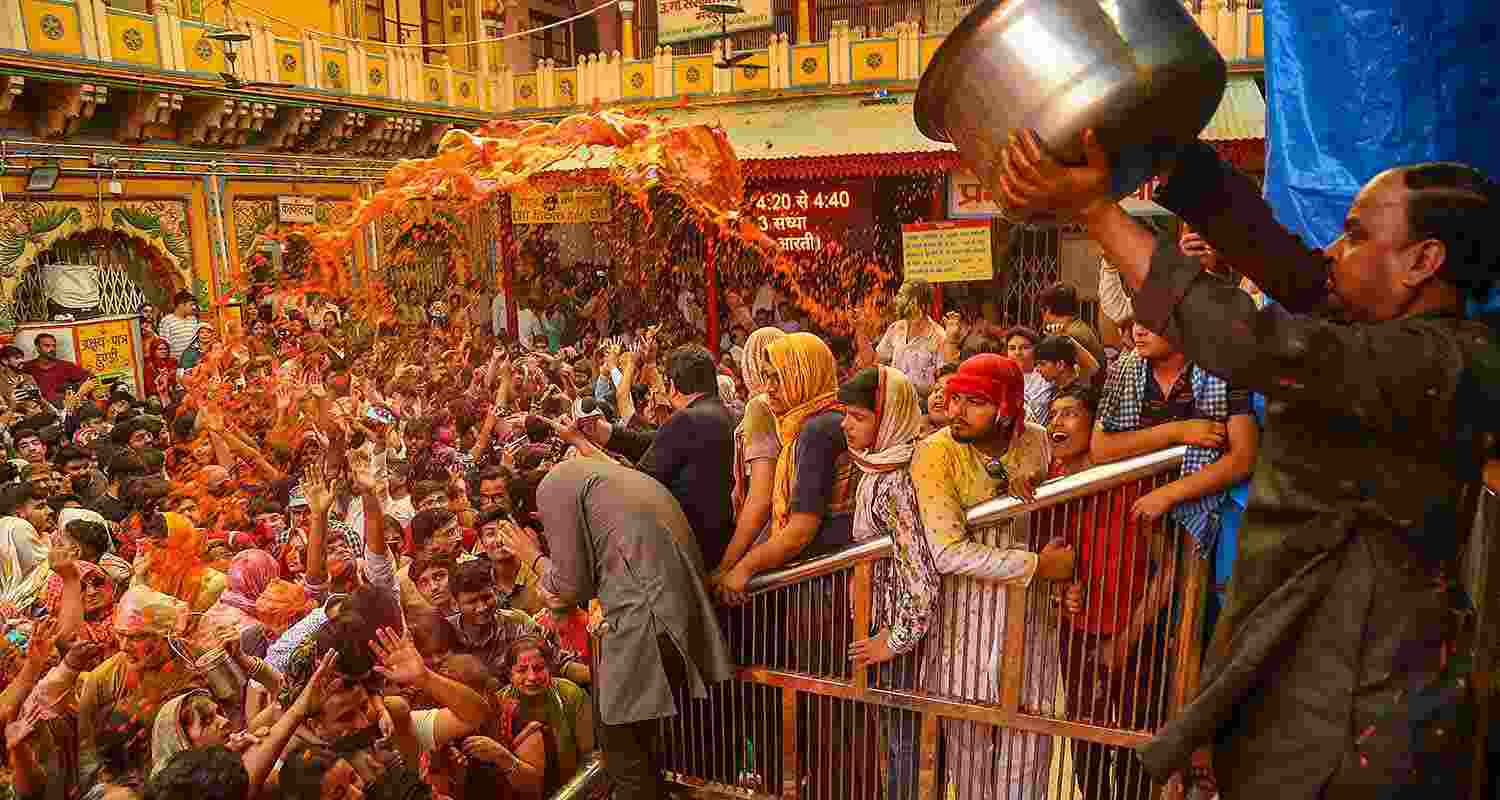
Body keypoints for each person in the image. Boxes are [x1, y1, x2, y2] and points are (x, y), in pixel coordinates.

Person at [993, 128, 1497, 798]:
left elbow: (1254, 343)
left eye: (1353, 236)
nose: (1331, 251)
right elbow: (1289, 267)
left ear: (1423, 261)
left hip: (1358, 712)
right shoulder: (1376, 329)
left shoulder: (1443, 361)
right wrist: (1170, 152)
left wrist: (1096, 215)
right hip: (1307, 681)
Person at [504, 458, 733, 800]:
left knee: (620, 751)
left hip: (647, 619)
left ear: (534, 519)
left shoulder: (552, 488)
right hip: (673, 613)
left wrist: (533, 557)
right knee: (641, 747)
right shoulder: (595, 472)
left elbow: (571, 585)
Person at [908, 353, 1075, 800]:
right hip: (965, 621)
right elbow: (946, 551)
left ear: (1006, 408)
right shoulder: (936, 454)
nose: (956, 411)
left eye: (975, 402)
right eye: (955, 398)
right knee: (970, 754)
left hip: (1031, 620)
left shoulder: (1037, 441)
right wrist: (1038, 566)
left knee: (1030, 738)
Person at [839, 366, 940, 800]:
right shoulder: (876, 468)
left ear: (889, 418)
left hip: (899, 638)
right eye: (846, 414)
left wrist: (893, 640)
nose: (846, 424)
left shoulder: (895, 482)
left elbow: (920, 576)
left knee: (906, 746)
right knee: (897, 742)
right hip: (881, 625)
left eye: (858, 417)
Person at [714, 333, 857, 600]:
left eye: (778, 377)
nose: (769, 388)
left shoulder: (818, 430)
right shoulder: (814, 421)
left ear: (804, 374)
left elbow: (800, 531)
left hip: (822, 581)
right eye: (767, 377)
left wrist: (742, 568)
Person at [593, 345, 735, 568]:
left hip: (687, 550)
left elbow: (639, 482)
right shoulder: (720, 413)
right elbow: (652, 441)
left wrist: (581, 444)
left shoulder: (688, 420)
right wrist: (603, 433)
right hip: (717, 543)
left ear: (673, 387)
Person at [877, 279, 946, 397]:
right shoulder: (895, 328)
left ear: (916, 302)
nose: (895, 300)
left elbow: (943, 382)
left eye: (901, 296)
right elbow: (876, 363)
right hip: (893, 402)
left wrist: (912, 389)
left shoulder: (939, 336)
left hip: (922, 406)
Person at [23, 333, 92, 407]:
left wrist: (78, 395)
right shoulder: (27, 367)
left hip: (66, 406)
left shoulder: (66, 366)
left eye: (54, 346)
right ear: (38, 348)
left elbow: (88, 379)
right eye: (47, 346)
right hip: (39, 408)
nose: (52, 349)